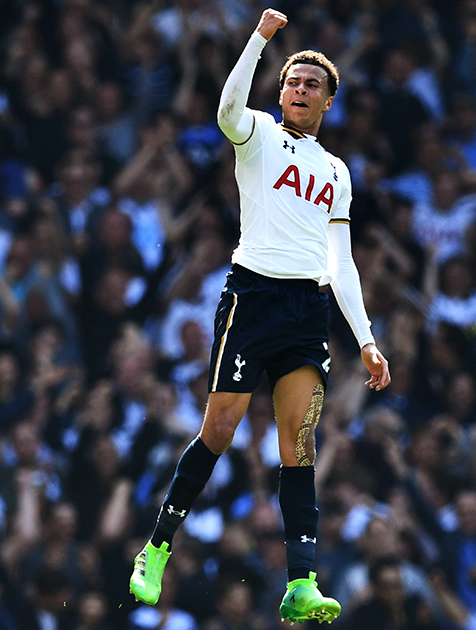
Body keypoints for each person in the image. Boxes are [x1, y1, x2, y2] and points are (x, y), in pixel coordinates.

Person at [128, 8, 391, 625]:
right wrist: (260, 39)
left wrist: (368, 341)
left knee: (299, 443)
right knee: (219, 430)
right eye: (293, 82)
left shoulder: (337, 171)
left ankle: (302, 581)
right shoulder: (257, 135)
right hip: (252, 296)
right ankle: (156, 548)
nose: (299, 90)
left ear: (328, 102)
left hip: (307, 307)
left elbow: (342, 261)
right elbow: (223, 112)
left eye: (312, 85)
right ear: (280, 91)